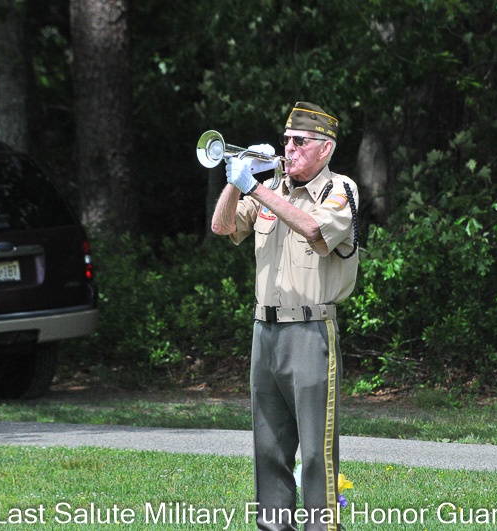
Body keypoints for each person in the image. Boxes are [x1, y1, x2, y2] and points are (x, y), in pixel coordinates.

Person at [211, 102, 359, 531]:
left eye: (300, 141)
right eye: (286, 140)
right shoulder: (272, 187)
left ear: (325, 148)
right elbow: (223, 227)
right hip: (265, 330)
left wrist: (255, 188)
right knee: (268, 447)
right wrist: (236, 180)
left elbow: (314, 229)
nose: (288, 148)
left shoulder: (339, 189)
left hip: (311, 330)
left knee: (315, 451)